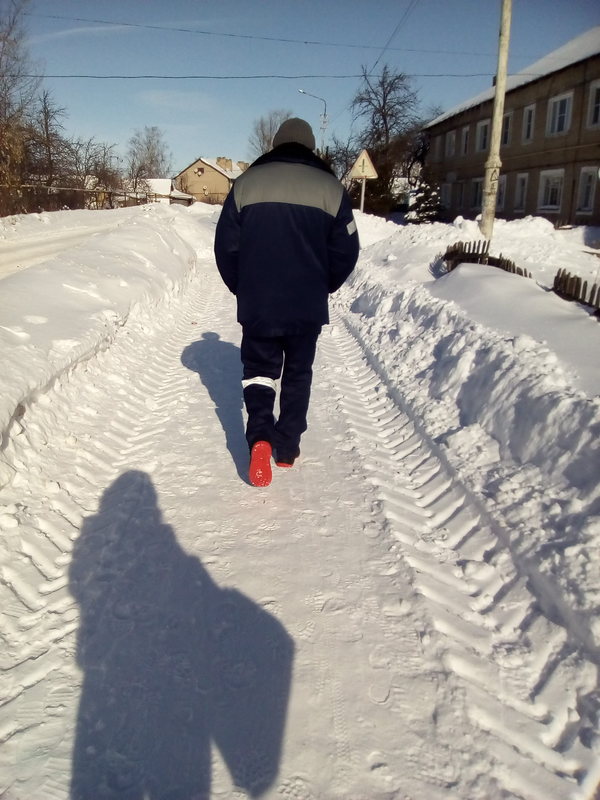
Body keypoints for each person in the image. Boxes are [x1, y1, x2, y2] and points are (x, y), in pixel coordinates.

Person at [214, 117, 359, 487]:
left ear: (276, 145)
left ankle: (260, 438)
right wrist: (323, 285)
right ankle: (288, 447)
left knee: (259, 371)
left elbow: (226, 246)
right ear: (310, 147)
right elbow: (346, 250)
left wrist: (242, 287)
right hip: (306, 303)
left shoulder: (246, 183)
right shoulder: (331, 188)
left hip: (259, 301)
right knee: (297, 372)